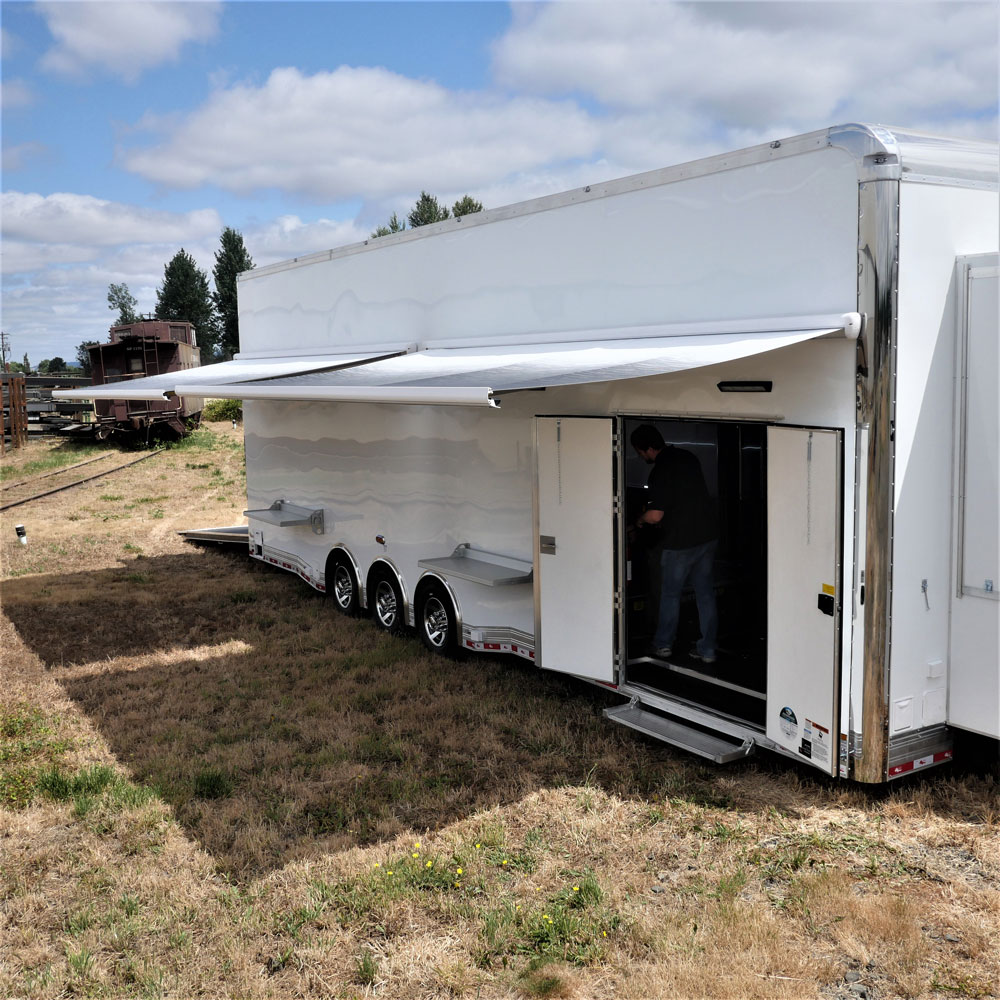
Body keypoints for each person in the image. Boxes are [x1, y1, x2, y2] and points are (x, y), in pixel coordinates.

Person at [630, 424, 718, 664]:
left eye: (640, 452)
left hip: (680, 543)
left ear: (648, 448)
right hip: (707, 537)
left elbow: (655, 515)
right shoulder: (688, 457)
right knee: (705, 595)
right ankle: (708, 650)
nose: (641, 456)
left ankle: (663, 645)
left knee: (669, 594)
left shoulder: (660, 470)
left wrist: (639, 521)